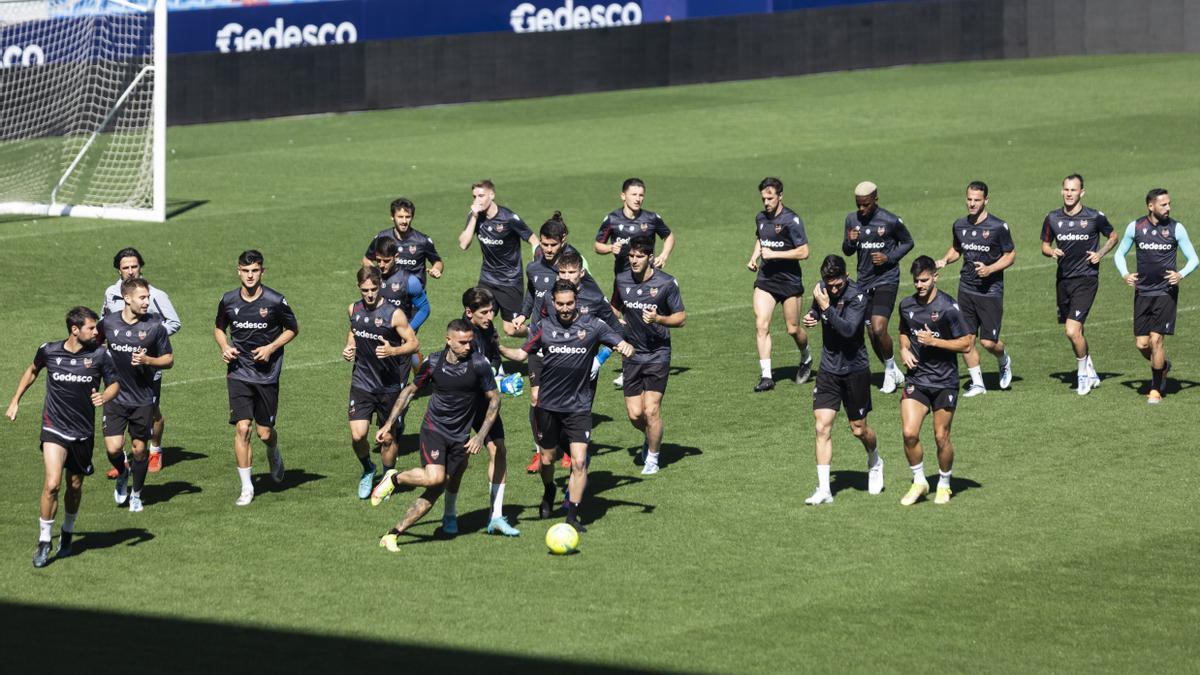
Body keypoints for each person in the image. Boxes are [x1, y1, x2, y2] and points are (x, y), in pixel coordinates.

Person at [509, 281, 634, 533]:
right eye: (560, 304)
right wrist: (496, 348)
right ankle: (549, 489)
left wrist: (623, 346)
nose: (565, 309)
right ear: (553, 303)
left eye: (569, 303)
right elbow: (522, 355)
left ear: (576, 300)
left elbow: (617, 339)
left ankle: (572, 516)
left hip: (578, 407)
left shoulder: (593, 326)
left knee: (579, 462)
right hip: (548, 407)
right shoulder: (544, 327)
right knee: (547, 459)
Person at [369, 319, 501, 551]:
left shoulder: (479, 364)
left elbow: (494, 399)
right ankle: (393, 478)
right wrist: (389, 423)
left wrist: (480, 436)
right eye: (462, 342)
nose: (468, 346)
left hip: (460, 437)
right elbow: (410, 391)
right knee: (434, 478)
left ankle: (393, 533)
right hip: (435, 430)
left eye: (470, 341)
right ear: (448, 340)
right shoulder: (433, 362)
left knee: (437, 488)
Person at [7, 307, 119, 567]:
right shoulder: (49, 350)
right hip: (54, 426)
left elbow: (115, 383)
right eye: (91, 328)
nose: (96, 332)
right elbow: (33, 370)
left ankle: (67, 531)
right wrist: (15, 400)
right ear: (75, 330)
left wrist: (105, 396)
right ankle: (45, 541)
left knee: (75, 485)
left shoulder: (100, 355)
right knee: (53, 483)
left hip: (82, 432)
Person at [213, 250, 299, 506]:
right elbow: (219, 328)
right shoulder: (228, 300)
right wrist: (225, 347)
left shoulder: (274, 301)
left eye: (255, 271)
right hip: (239, 372)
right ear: (238, 271)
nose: (250, 275)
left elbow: (293, 329)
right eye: (245, 271)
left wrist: (270, 348)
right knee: (242, 428)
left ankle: (273, 450)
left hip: (267, 375)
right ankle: (247, 487)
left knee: (263, 433)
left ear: (262, 272)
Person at [800, 255, 881, 505]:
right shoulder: (821, 289)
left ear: (846, 277)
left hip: (855, 369)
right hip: (828, 369)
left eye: (837, 284)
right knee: (821, 426)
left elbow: (848, 330)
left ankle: (875, 460)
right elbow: (817, 308)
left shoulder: (858, 296)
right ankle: (825, 489)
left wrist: (825, 308)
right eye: (829, 284)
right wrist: (813, 315)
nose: (833, 289)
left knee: (858, 429)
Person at [897, 256, 973, 506]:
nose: (919, 285)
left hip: (944, 381)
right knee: (909, 433)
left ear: (935, 277)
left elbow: (966, 343)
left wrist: (934, 342)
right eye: (916, 281)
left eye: (924, 280)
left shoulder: (949, 307)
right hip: (917, 379)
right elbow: (904, 331)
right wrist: (904, 349)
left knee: (941, 437)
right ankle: (919, 481)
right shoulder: (906, 305)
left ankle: (944, 483)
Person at [1114, 188, 1198, 404]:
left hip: (1165, 292)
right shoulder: (1136, 227)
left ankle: (1155, 389)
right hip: (1142, 292)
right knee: (1142, 344)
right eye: (1163, 204)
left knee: (1156, 339)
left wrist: (1181, 274)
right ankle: (1163, 367)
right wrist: (1125, 274)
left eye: (1169, 203)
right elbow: (1119, 253)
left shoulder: (1176, 229)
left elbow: (1194, 259)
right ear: (1151, 206)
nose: (1168, 208)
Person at [102, 247, 180, 474]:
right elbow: (105, 320)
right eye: (125, 267)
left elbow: (174, 322)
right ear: (119, 270)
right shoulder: (110, 292)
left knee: (151, 408)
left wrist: (147, 338)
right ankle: (123, 460)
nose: (130, 271)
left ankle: (155, 450)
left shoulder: (155, 295)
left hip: (147, 363)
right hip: (117, 366)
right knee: (118, 407)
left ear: (141, 268)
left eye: (134, 266)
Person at [454, 287, 525, 536]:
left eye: (492, 311)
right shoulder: (462, 337)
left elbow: (494, 363)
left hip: (485, 404)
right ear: (468, 312)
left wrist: (503, 378)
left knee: (499, 450)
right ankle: (450, 511)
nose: (490, 316)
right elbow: (465, 375)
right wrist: (499, 383)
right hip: (461, 405)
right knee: (460, 461)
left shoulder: (489, 331)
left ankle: (495, 516)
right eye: (483, 312)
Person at [612, 235, 685, 475]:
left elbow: (680, 318)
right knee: (635, 414)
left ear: (650, 258)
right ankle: (650, 435)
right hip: (631, 354)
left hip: (657, 354)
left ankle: (653, 458)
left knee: (651, 410)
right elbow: (613, 307)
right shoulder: (621, 280)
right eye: (631, 256)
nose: (633, 260)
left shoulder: (666, 283)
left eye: (639, 256)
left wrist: (658, 318)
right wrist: (616, 325)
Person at [343, 266, 418, 499]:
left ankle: (387, 479)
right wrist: (349, 347)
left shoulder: (394, 314)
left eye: (374, 289)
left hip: (389, 386)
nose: (370, 294)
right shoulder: (353, 309)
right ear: (359, 288)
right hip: (362, 382)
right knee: (358, 435)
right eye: (365, 290)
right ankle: (368, 469)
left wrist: (393, 350)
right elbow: (354, 330)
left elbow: (413, 343)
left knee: (387, 437)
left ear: (380, 286)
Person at [99, 278, 174, 513]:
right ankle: (123, 474)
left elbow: (169, 360)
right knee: (113, 449)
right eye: (142, 298)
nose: (147, 302)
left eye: (148, 297)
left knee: (140, 449)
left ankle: (137, 495)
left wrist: (148, 360)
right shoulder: (108, 323)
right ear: (127, 298)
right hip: (115, 396)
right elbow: (94, 344)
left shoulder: (155, 327)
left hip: (142, 398)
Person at [935, 181, 1016, 397]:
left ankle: (1004, 359)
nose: (972, 204)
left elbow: (1010, 255)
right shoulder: (960, 225)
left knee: (988, 342)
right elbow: (957, 248)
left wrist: (990, 269)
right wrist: (945, 260)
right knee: (966, 340)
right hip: (966, 289)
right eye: (969, 199)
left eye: (976, 200)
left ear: (986, 200)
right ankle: (978, 383)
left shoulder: (998, 227)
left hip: (990, 291)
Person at [1040, 174, 1117, 395]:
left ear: (1082, 192)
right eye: (1066, 189)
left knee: (1072, 330)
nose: (1069, 194)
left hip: (1086, 280)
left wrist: (1101, 253)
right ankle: (1091, 371)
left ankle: (1082, 375)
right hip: (1063, 280)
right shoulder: (1052, 218)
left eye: (1073, 190)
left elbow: (1113, 235)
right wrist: (1051, 251)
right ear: (1061, 191)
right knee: (1077, 330)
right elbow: (1044, 245)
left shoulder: (1094, 217)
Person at [841, 182, 913, 393]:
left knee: (879, 327)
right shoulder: (851, 220)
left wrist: (888, 258)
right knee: (871, 332)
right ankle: (891, 369)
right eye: (859, 205)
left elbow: (908, 242)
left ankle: (890, 372)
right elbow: (846, 251)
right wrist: (850, 241)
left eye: (866, 205)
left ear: (875, 199)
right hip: (863, 282)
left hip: (886, 280)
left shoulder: (890, 220)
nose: (862, 209)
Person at [746, 176, 811, 392]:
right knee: (761, 324)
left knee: (792, 329)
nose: (766, 203)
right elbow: (761, 238)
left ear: (780, 196)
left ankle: (806, 356)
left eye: (770, 198)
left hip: (790, 282)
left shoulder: (792, 220)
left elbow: (804, 252)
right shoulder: (761, 218)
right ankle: (766, 377)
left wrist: (774, 254)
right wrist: (754, 257)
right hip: (766, 280)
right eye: (763, 198)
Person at [457, 180, 538, 337]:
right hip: (487, 279)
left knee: (511, 330)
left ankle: (537, 334)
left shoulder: (509, 218)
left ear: (492, 195)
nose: (477, 200)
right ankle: (483, 357)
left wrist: (537, 263)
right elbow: (463, 244)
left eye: (481, 196)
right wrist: (473, 217)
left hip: (510, 281)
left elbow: (534, 240)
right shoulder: (475, 217)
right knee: (475, 319)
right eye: (474, 196)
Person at [362, 197, 444, 285]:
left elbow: (437, 261)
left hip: (414, 294)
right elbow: (366, 260)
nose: (404, 221)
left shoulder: (422, 240)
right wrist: (376, 274)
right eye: (400, 217)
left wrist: (436, 269)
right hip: (389, 292)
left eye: (408, 217)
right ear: (392, 216)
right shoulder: (382, 237)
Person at [373, 237, 430, 332]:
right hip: (375, 332)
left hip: (398, 337)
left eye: (386, 261)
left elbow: (424, 308)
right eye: (378, 260)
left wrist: (408, 330)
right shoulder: (372, 276)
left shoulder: (409, 281)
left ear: (396, 257)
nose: (381, 265)